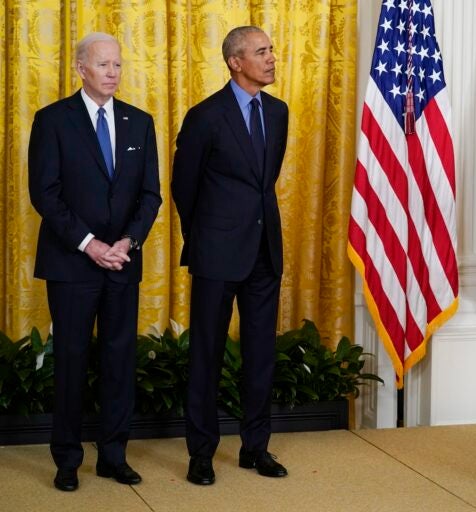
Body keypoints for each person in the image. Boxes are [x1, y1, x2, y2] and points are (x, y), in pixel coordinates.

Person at [28, 32, 161, 492]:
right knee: (71, 360)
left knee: (120, 361)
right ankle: (67, 460)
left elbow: (151, 195)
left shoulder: (140, 122)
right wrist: (89, 244)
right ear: (81, 68)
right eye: (104, 65)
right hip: (72, 264)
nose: (113, 73)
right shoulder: (52, 121)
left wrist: (127, 241)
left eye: (118, 65)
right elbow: (44, 193)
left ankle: (113, 456)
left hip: (122, 262)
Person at [171, 25, 289, 485]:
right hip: (216, 254)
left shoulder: (278, 112)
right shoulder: (205, 116)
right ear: (236, 62)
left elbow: (264, 183)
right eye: (262, 52)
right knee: (207, 354)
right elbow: (185, 188)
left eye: (272, 50)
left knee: (261, 356)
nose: (272, 58)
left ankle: (255, 448)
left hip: (264, 253)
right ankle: (200, 453)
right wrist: (206, 238)